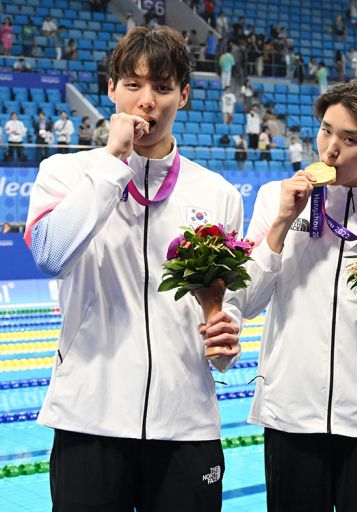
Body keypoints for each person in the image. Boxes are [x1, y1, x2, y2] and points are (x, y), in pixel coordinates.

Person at [24, 26, 243, 511]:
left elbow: (225, 303)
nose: (147, 101)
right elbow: (50, 256)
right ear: (111, 89)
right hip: (89, 417)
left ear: (183, 96)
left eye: (162, 87)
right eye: (133, 85)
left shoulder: (218, 193)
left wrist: (227, 333)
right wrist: (111, 161)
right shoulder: (64, 173)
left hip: (186, 421)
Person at [208, 79, 357, 512]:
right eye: (326, 131)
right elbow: (248, 301)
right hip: (290, 415)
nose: (330, 149)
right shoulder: (274, 198)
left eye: (349, 139)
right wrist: (280, 223)